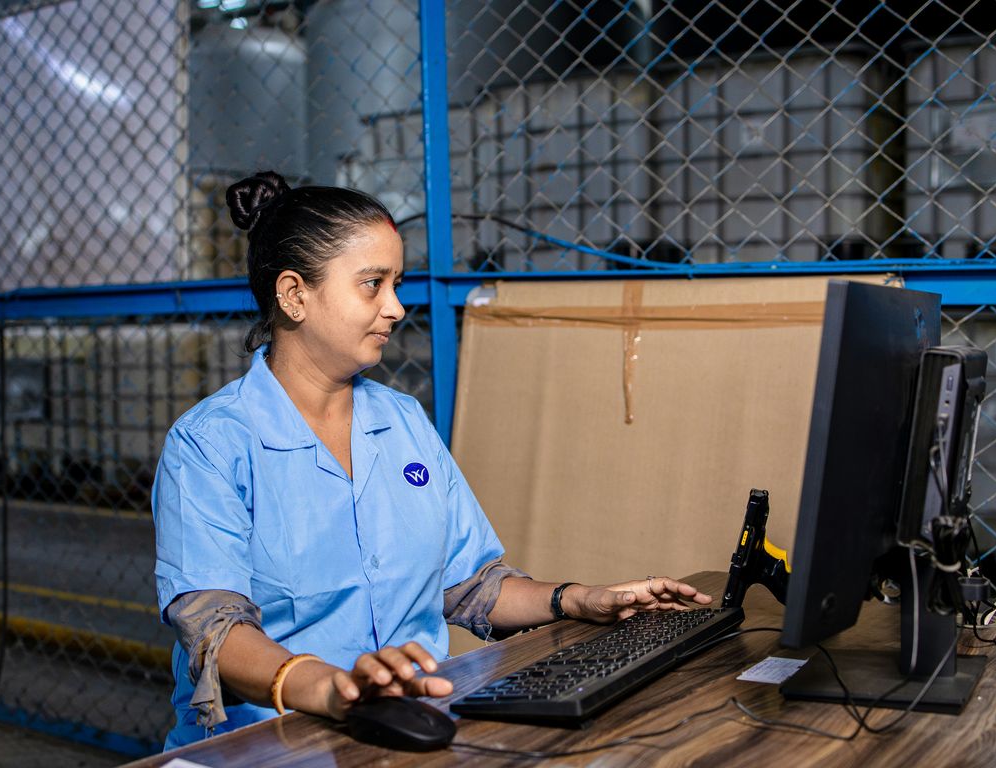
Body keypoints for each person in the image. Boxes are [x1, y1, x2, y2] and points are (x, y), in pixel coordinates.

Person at [152, 171, 712, 749]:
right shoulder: (210, 444)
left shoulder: (403, 422)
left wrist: (578, 599)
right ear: (295, 295)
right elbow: (215, 629)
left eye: (397, 283)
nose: (395, 307)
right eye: (372, 285)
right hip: (270, 746)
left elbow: (469, 585)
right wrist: (331, 689)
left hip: (410, 727)